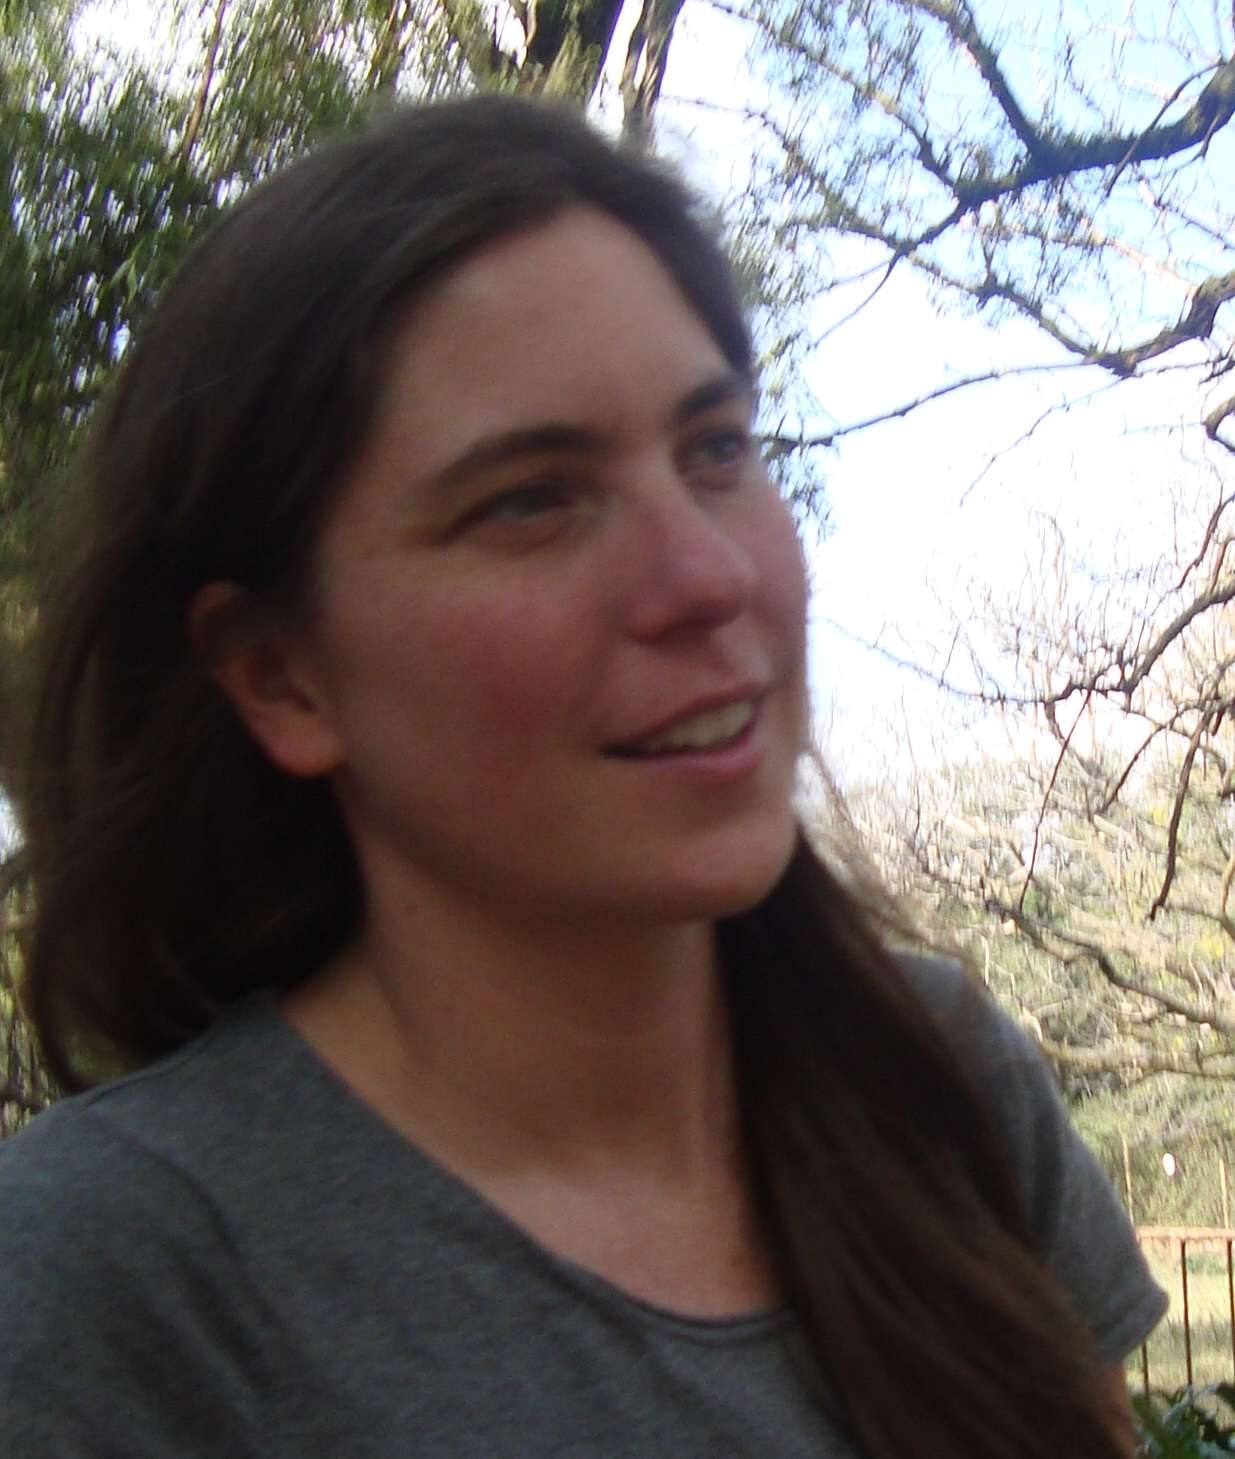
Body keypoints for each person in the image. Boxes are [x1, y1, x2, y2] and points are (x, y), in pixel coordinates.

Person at [0, 94, 1163, 1459]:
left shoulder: (937, 1079)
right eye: (531, 501)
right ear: (280, 677)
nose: (707, 577)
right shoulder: (108, 1280)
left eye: (716, 449)